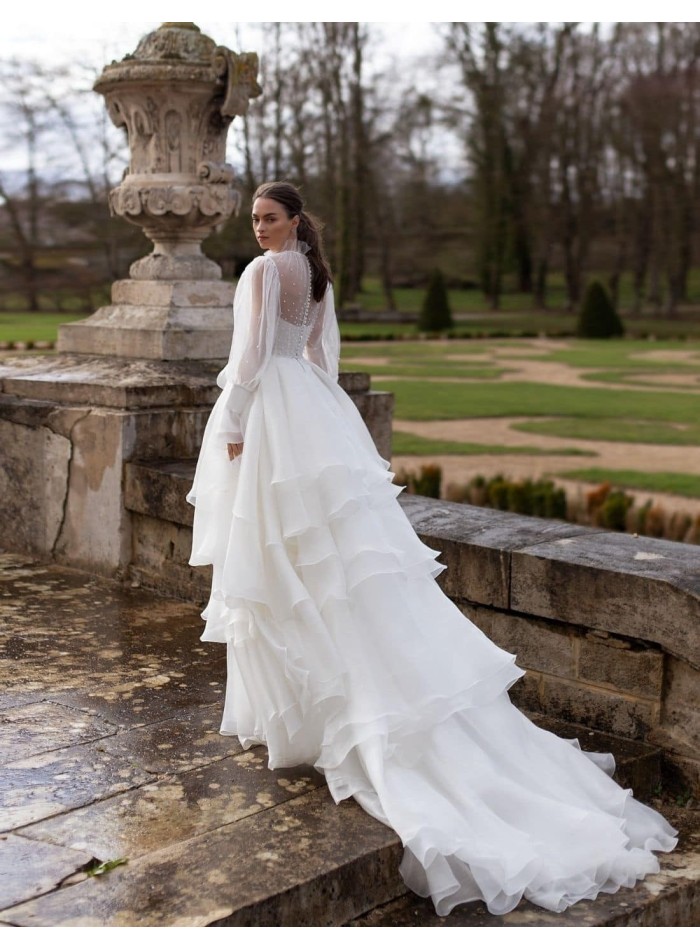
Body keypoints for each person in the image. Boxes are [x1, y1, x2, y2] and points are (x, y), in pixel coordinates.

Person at [187, 181, 677, 917]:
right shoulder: (316, 273)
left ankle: (312, 712)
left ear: (293, 221)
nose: (258, 229)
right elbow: (321, 355)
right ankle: (323, 700)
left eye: (269, 217)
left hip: (277, 416)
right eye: (253, 219)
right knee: (333, 564)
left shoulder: (264, 272)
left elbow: (253, 357)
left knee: (287, 560)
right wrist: (326, 424)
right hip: (313, 411)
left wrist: (231, 421)